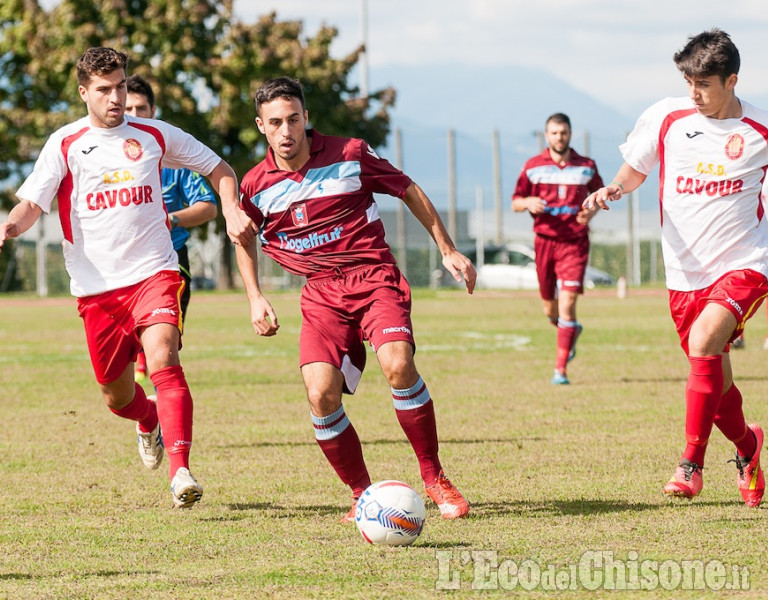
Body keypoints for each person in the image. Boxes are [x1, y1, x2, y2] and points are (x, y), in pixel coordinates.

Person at [0, 47, 242, 509]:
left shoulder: (153, 133)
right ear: (84, 92)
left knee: (164, 358)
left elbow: (219, 169)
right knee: (115, 394)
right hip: (97, 291)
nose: (116, 97)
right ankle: (146, 418)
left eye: (122, 86)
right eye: (105, 90)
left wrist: (229, 208)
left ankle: (181, 471)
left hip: (154, 270)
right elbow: (32, 204)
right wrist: (10, 225)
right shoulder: (65, 144)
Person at [226, 76, 476, 522]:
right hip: (321, 295)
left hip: (374, 277)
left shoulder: (350, 153)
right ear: (261, 125)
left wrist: (448, 248)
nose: (287, 131)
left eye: (294, 119)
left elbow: (408, 189)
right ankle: (363, 495)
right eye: (276, 122)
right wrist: (254, 296)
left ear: (307, 119)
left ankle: (434, 476)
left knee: (398, 365)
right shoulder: (255, 184)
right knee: (320, 393)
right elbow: (243, 236)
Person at [584, 29, 766, 507]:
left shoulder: (761, 133)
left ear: (732, 80)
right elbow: (636, 168)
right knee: (715, 378)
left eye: (704, 83)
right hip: (684, 274)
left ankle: (690, 465)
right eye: (688, 81)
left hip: (746, 264)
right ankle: (748, 447)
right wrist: (614, 189)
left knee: (707, 343)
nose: (694, 92)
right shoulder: (668, 116)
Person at [124, 74, 218, 384]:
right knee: (122, 351)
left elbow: (208, 206)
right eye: (128, 109)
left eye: (141, 109)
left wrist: (170, 219)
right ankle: (142, 396)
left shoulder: (175, 163)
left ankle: (157, 412)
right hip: (122, 262)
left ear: (153, 113)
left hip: (170, 260)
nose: (134, 116)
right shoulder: (106, 164)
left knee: (163, 346)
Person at [512, 113, 603, 385]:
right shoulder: (532, 167)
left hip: (574, 241)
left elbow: (599, 196)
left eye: (563, 132)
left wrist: (592, 211)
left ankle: (560, 370)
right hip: (544, 242)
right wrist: (528, 202)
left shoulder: (586, 166)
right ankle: (569, 330)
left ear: (570, 134)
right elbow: (515, 201)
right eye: (554, 133)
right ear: (546, 135)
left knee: (568, 301)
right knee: (549, 309)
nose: (559, 137)